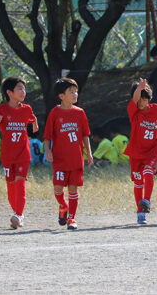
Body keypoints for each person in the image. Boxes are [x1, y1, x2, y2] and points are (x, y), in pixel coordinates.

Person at [0, 77, 38, 229]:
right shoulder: (1, 109)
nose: (23, 92)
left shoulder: (27, 109)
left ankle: (19, 215)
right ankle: (16, 212)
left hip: (23, 153)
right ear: (9, 92)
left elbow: (33, 124)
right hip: (8, 154)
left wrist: (34, 124)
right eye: (19, 89)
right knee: (11, 184)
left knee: (20, 181)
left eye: (24, 89)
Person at [44, 78, 93, 230]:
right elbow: (47, 136)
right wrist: (48, 150)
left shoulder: (80, 113)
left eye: (76, 91)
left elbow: (85, 135)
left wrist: (89, 153)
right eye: (71, 92)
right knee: (58, 188)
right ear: (61, 96)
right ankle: (63, 207)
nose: (75, 94)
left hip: (76, 159)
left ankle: (71, 218)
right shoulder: (54, 113)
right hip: (59, 159)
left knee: (73, 189)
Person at [123, 78, 157, 224]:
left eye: (144, 100)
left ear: (149, 99)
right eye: (139, 99)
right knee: (138, 183)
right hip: (136, 153)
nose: (141, 102)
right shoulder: (133, 112)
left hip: (151, 151)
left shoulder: (156, 109)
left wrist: (144, 90)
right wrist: (139, 89)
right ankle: (140, 212)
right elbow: (135, 100)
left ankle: (147, 201)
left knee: (148, 172)